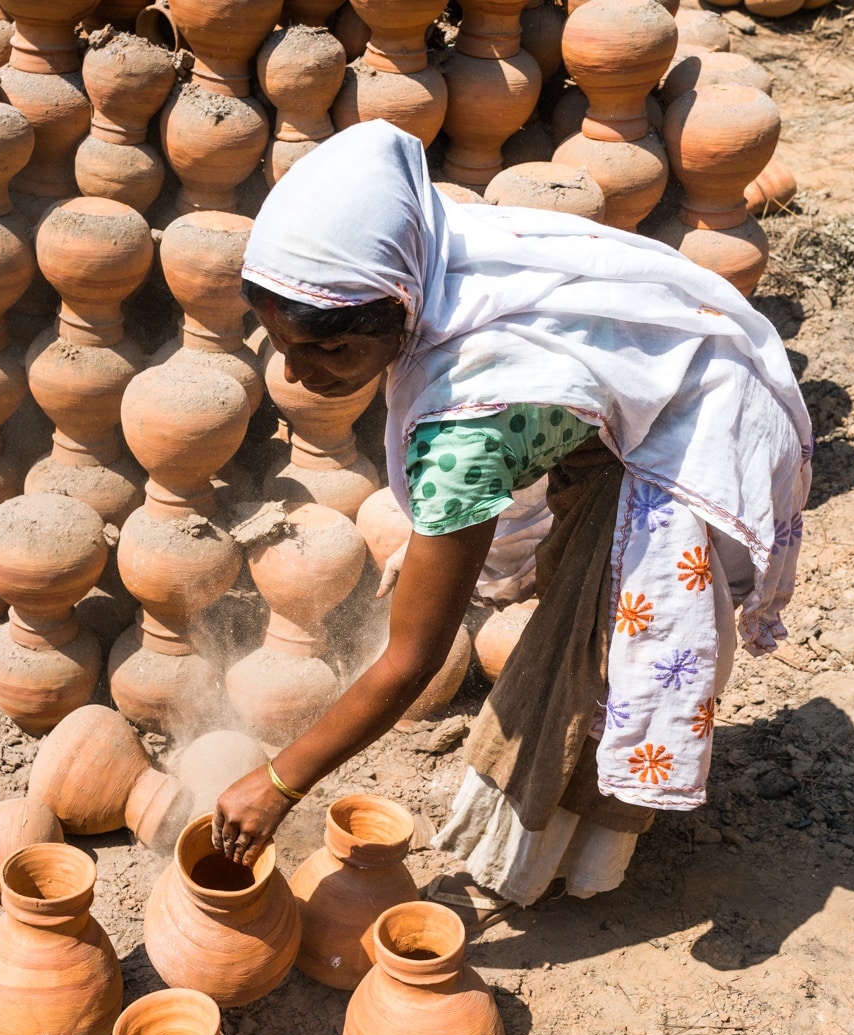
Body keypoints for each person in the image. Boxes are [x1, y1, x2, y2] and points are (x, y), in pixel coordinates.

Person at [211, 120, 811, 925]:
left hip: (691, 428)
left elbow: (413, 660)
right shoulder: (431, 247)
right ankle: (581, 809)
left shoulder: (464, 429)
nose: (296, 372)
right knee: (581, 621)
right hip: (636, 406)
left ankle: (586, 849)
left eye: (329, 353)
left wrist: (281, 781)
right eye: (281, 345)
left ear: (400, 305)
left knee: (604, 647)